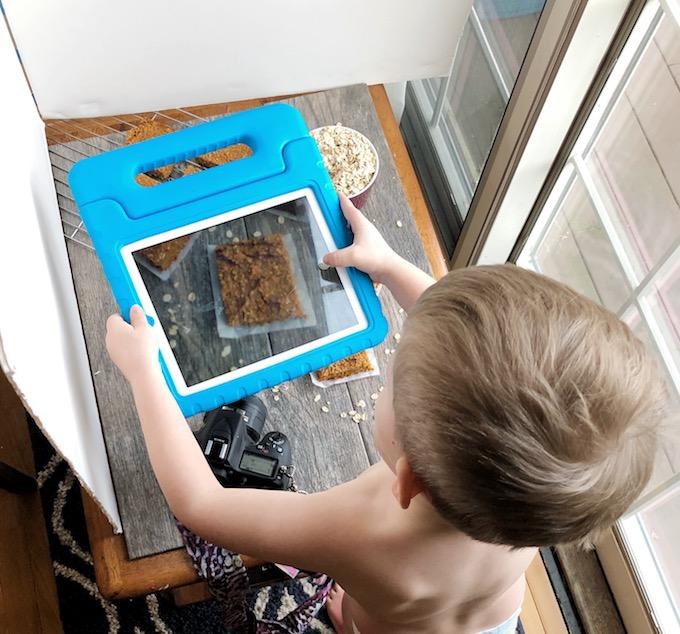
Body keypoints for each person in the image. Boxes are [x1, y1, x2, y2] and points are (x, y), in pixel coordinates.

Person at [106, 194, 666, 633]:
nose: (395, 362)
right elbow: (461, 347)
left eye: (394, 377)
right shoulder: (536, 491)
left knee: (365, 617)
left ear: (408, 479)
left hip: (390, 624)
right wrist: (390, 265)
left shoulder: (356, 528)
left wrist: (145, 375)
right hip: (489, 620)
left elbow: (202, 504)